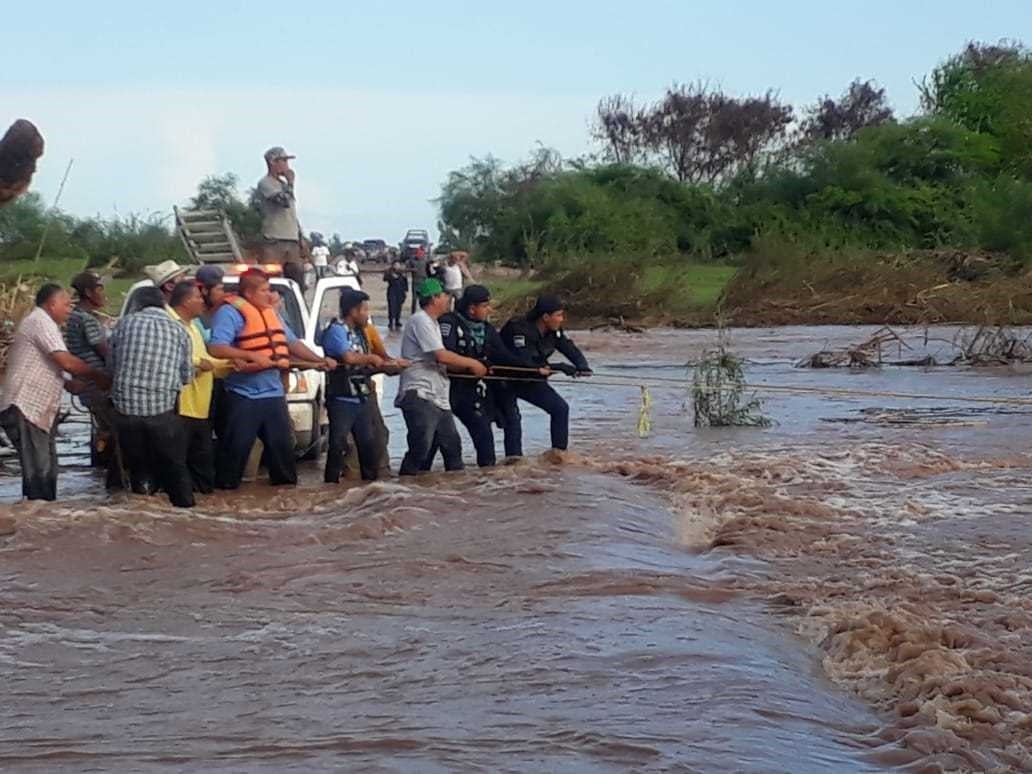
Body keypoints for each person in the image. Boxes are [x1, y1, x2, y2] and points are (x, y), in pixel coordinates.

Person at [207, 269, 334, 490]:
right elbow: (217, 347)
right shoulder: (229, 313)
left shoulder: (271, 314)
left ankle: (284, 502)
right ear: (248, 292)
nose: (270, 295)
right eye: (265, 290)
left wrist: (319, 360)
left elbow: (292, 343)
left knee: (283, 451)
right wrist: (249, 355)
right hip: (243, 396)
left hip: (274, 395)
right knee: (235, 452)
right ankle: (225, 499)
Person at [0, 284, 109, 501]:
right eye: (66, 304)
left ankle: (42, 520)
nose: (70, 309)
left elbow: (50, 365)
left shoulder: (44, 323)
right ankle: (35, 521)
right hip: (26, 406)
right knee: (38, 474)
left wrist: (69, 384)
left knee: (47, 469)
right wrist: (98, 377)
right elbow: (65, 361)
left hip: (37, 409)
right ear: (51, 305)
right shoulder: (41, 322)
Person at [108, 287, 195, 508]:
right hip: (162, 412)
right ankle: (185, 511)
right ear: (163, 304)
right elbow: (186, 377)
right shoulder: (179, 330)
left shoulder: (123, 325)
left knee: (138, 469)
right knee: (175, 467)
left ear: (137, 305)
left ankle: (142, 508)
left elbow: (112, 367)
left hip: (126, 412)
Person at [439, 285, 543, 468]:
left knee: (486, 434)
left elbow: (504, 356)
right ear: (472, 308)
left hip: (474, 390)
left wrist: (533, 369)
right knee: (434, 441)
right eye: (485, 306)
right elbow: (446, 355)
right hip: (447, 389)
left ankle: (488, 480)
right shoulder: (449, 323)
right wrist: (473, 365)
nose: (489, 310)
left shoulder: (487, 329)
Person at [396, 278, 486, 475]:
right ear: (434, 298)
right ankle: (402, 491)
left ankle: (453, 497)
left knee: (453, 448)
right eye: (445, 295)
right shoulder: (420, 320)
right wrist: (472, 363)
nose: (448, 299)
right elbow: (441, 355)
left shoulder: (433, 324)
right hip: (420, 394)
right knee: (421, 449)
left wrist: (467, 368)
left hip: (438, 396)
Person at [320, 289, 407, 483]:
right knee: (338, 444)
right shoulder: (337, 331)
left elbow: (369, 365)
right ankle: (330, 486)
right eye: (365, 310)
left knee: (369, 445)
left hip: (362, 397)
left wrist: (391, 366)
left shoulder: (361, 333)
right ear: (353, 311)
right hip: (342, 399)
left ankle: (370, 488)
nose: (368, 314)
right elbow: (349, 358)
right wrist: (371, 358)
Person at [498, 296, 592, 455]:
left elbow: (568, 347)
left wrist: (582, 366)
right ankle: (513, 464)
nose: (562, 319)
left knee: (560, 409)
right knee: (512, 421)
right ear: (546, 317)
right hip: (506, 379)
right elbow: (525, 362)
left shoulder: (554, 332)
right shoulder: (518, 329)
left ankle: (559, 455)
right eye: (559, 315)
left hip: (531, 378)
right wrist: (560, 367)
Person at [169, 280, 233, 494]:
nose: (202, 302)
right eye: (197, 298)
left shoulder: (193, 327)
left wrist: (233, 365)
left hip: (199, 407)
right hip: (180, 407)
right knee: (179, 467)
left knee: (202, 469)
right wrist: (198, 363)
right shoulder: (170, 323)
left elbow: (208, 362)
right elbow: (172, 356)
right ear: (186, 302)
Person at [65, 271, 122, 488]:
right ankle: (114, 482)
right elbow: (105, 351)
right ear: (89, 293)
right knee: (116, 431)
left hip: (88, 385)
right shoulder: (86, 319)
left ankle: (102, 476)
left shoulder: (76, 317)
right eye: (100, 289)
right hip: (96, 384)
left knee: (105, 429)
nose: (103, 294)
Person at [257, 146, 307, 288]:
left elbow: (291, 213)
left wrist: (300, 236)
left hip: (291, 239)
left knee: (297, 280)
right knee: (272, 280)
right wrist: (291, 183)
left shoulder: (283, 184)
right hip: (275, 239)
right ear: (273, 162)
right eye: (283, 160)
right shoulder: (266, 183)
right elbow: (283, 202)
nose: (287, 165)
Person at [195, 264, 226, 340]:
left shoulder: (223, 312)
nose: (222, 294)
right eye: (219, 289)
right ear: (204, 290)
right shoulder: (194, 317)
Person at [383, 261, 408, 331]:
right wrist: (390, 274)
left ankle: (397, 321)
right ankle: (390, 322)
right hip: (392, 291)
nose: (397, 266)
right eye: (396, 265)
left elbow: (405, 282)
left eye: (398, 265)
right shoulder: (390, 271)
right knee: (391, 307)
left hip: (400, 291)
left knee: (399, 307)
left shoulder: (402, 272)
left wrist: (405, 290)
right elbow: (385, 278)